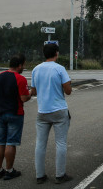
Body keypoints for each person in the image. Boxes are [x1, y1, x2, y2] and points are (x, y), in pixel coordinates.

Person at [31, 43, 72, 184]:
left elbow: (34, 91)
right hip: (59, 110)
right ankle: (60, 175)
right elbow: (68, 90)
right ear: (56, 53)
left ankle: (40, 175)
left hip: (42, 111)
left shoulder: (36, 69)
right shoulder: (60, 69)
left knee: (40, 144)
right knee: (60, 143)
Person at [0, 54, 31, 180]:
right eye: (23, 65)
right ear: (19, 65)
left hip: (1, 113)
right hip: (15, 113)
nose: (23, 67)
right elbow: (24, 97)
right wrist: (31, 94)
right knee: (11, 143)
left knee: (0, 142)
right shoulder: (20, 79)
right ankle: (9, 170)